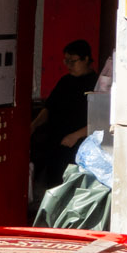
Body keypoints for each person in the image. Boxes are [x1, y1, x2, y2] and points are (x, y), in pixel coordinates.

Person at [31, 40, 99, 190]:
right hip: (55, 144)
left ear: (86, 59)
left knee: (72, 187)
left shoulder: (97, 84)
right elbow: (49, 107)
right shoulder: (65, 81)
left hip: (79, 146)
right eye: (66, 61)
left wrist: (76, 135)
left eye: (73, 61)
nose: (68, 65)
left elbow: (100, 121)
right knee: (53, 185)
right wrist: (34, 125)